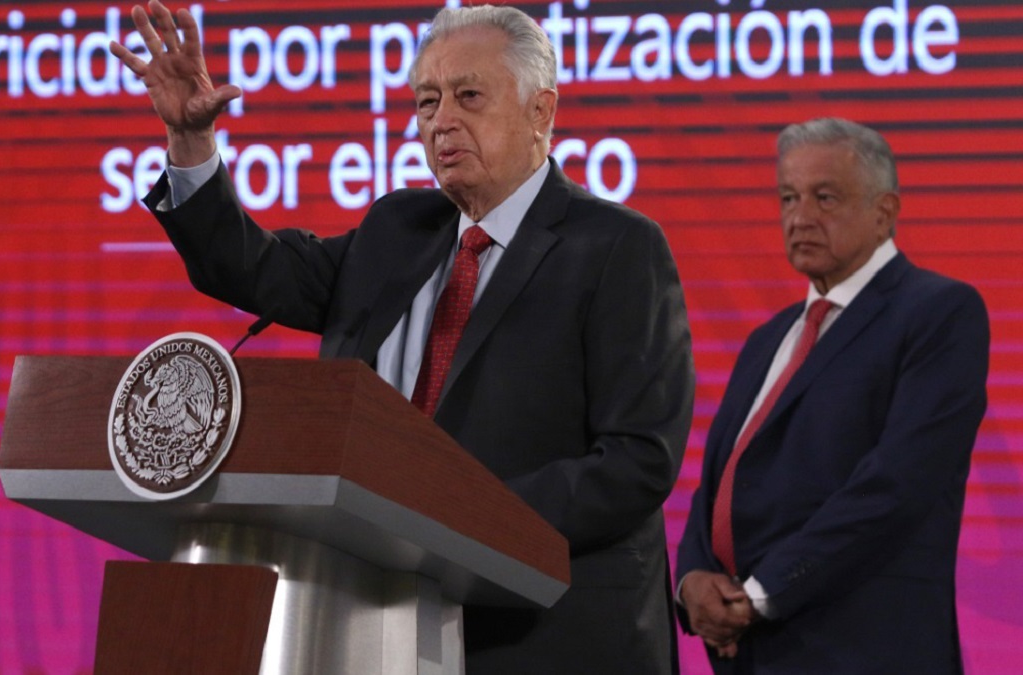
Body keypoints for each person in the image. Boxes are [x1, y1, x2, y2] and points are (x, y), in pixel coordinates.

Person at [111, 2, 694, 673]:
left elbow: (636, 460)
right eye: (426, 101)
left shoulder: (617, 247)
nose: (441, 120)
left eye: (468, 96)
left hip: (545, 636)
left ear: (541, 111)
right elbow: (255, 268)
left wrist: (450, 519)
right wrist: (190, 144)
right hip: (371, 623)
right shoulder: (398, 230)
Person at [674, 117, 989, 673]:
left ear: (884, 211)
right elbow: (720, 482)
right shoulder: (767, 338)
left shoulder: (939, 314)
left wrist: (761, 593)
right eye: (789, 197)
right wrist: (693, 577)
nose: (800, 218)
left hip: (863, 647)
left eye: (825, 198)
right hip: (752, 652)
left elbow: (896, 484)